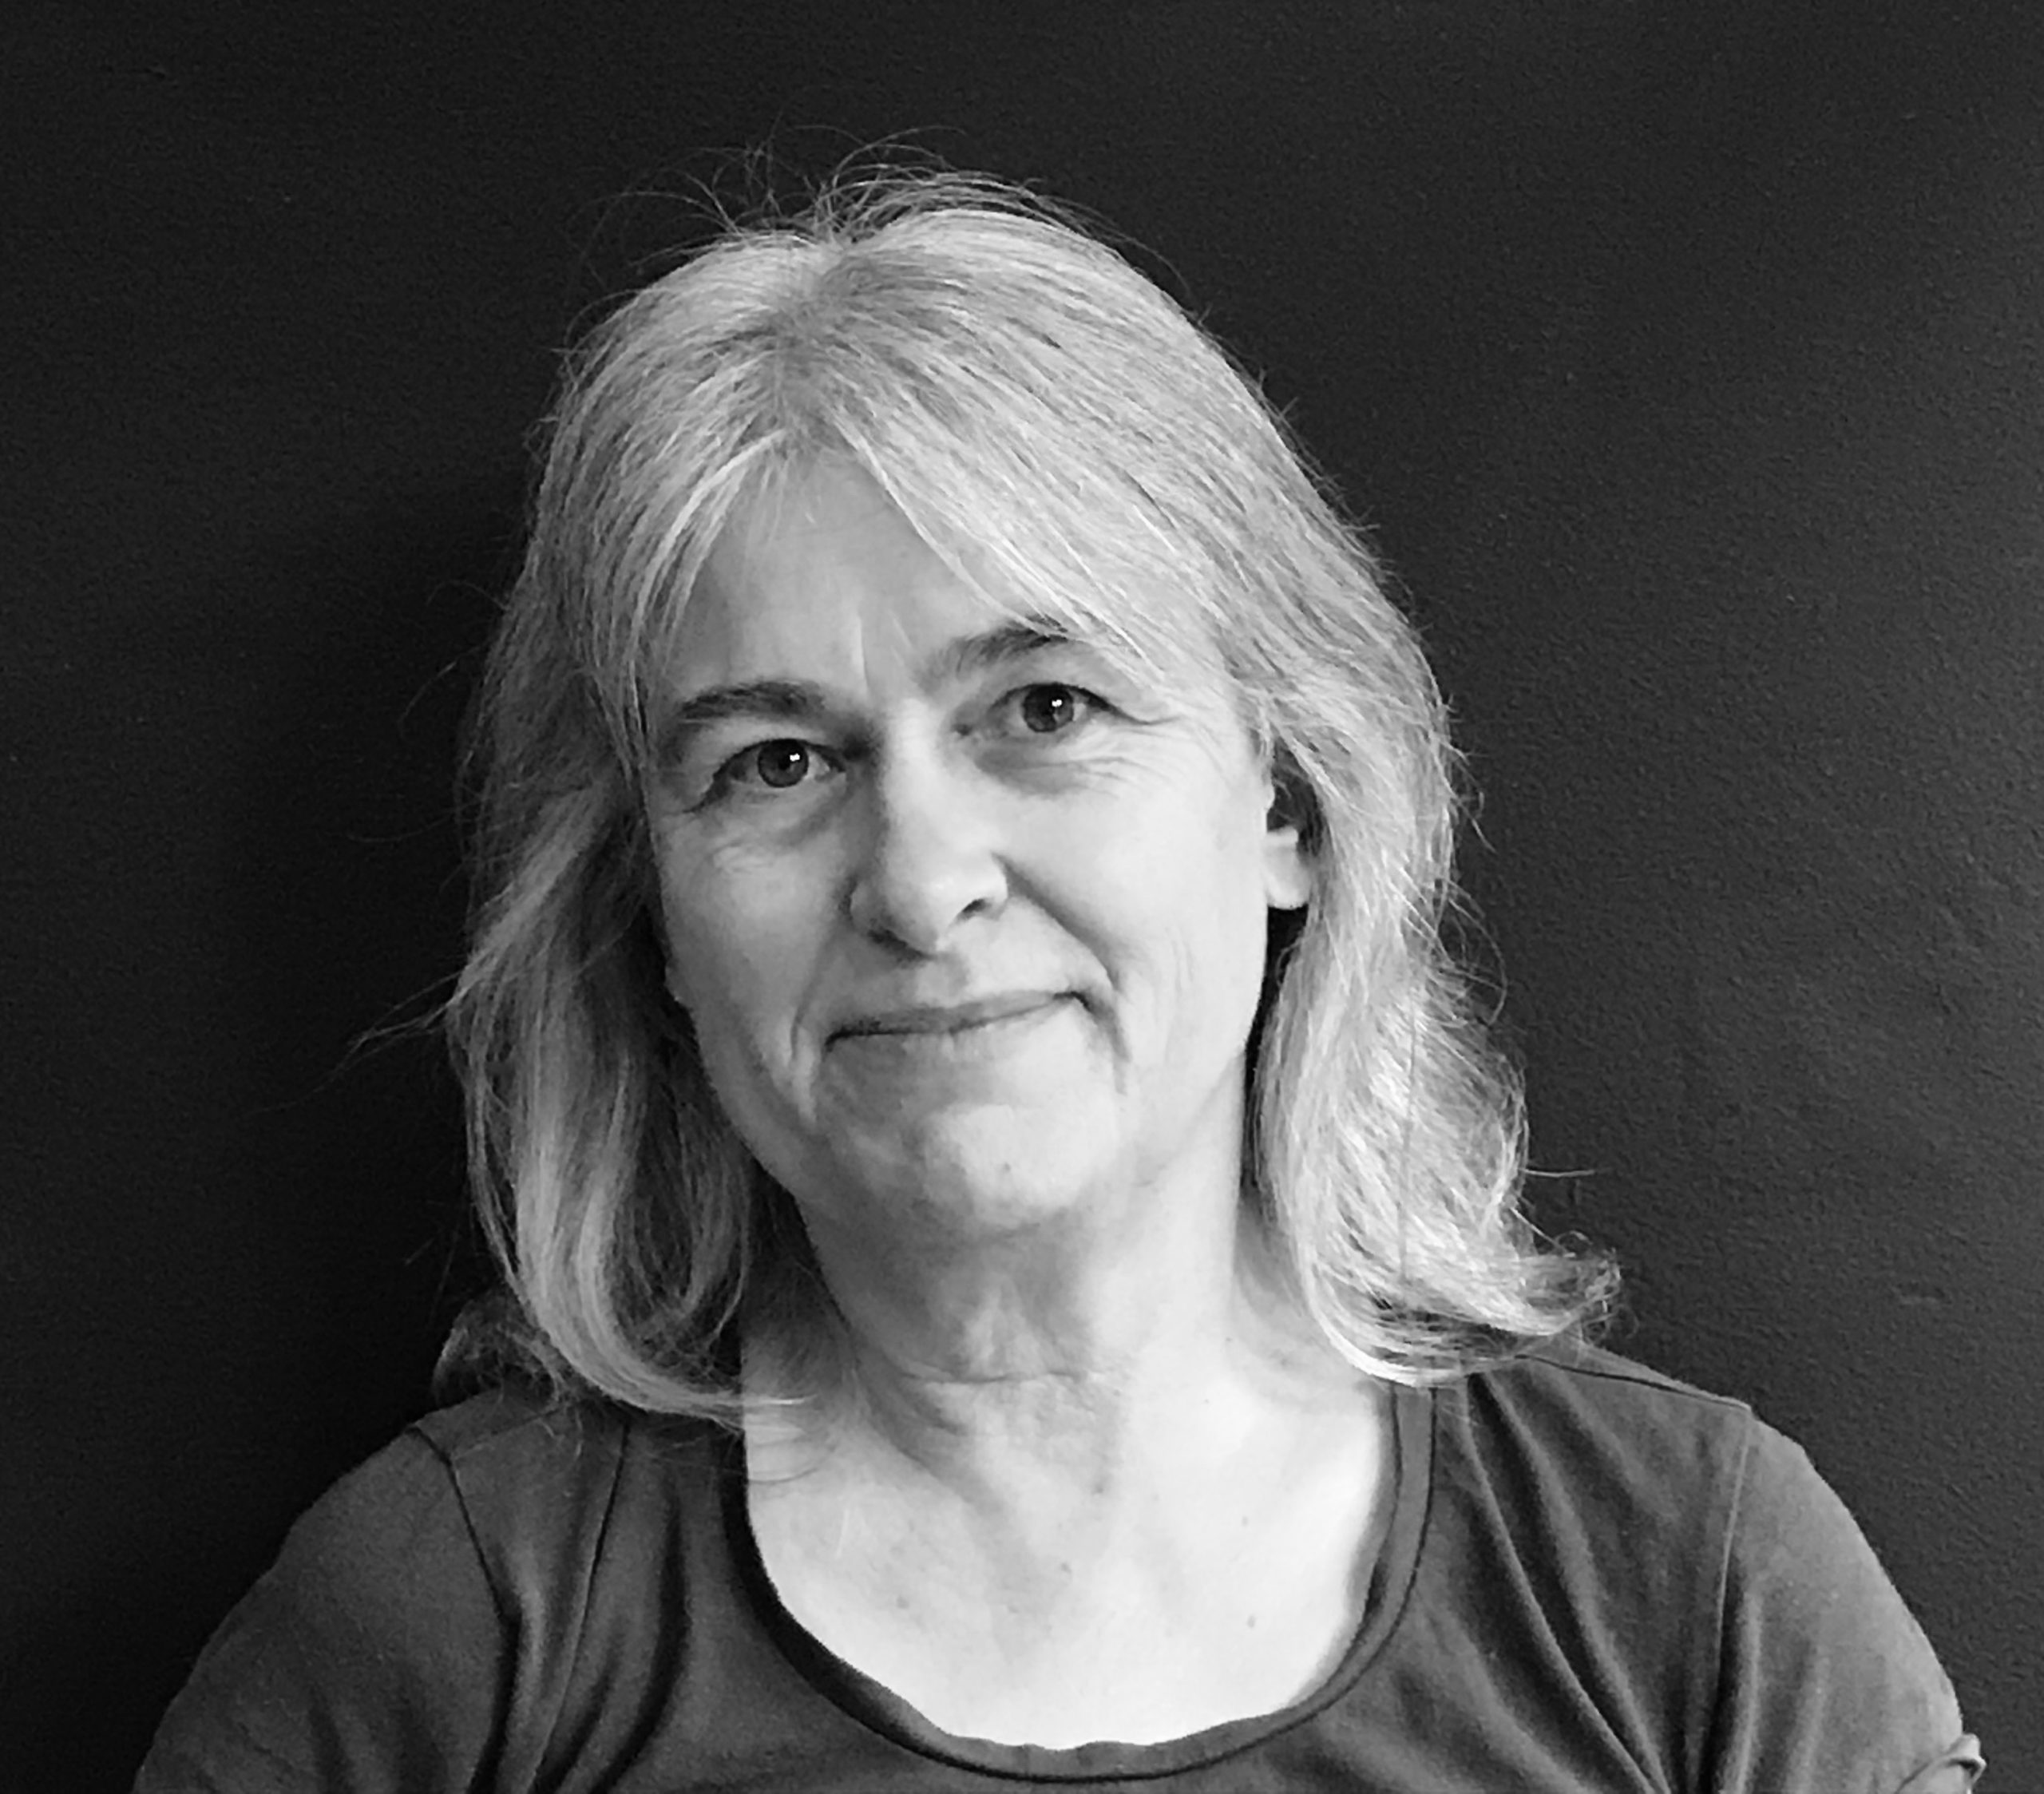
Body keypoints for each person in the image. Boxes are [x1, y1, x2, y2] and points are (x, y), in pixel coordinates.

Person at [138, 170, 1982, 1792]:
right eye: (775, 760)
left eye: (1044, 707)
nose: (918, 880)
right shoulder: (452, 1630)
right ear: (654, 920)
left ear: (1285, 803)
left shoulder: (1692, 1594)